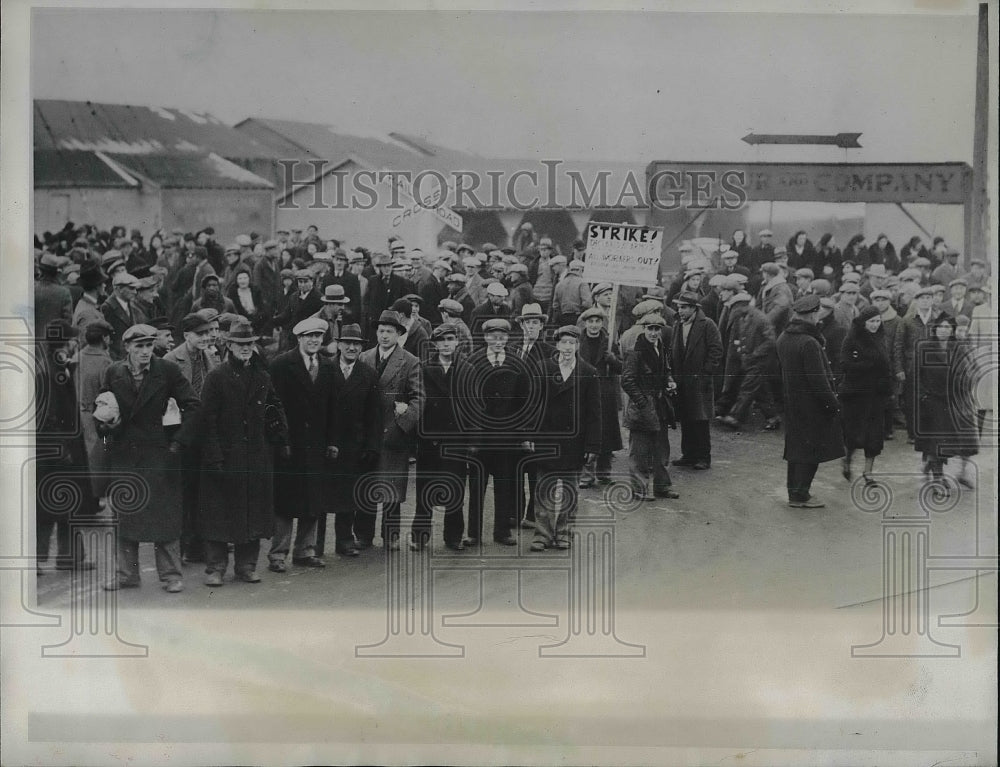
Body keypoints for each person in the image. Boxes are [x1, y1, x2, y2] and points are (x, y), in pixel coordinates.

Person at [98, 324, 201, 592]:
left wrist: (178, 441)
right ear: (127, 348)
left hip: (160, 454)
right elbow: (104, 410)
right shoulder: (113, 372)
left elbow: (192, 405)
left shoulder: (167, 371)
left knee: (164, 516)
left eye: (148, 346)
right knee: (125, 515)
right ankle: (126, 574)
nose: (145, 352)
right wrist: (106, 428)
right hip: (124, 455)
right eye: (139, 346)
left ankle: (171, 576)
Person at [198, 319, 288, 586]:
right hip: (225, 456)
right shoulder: (216, 377)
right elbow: (207, 419)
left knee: (253, 512)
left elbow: (275, 406)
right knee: (219, 514)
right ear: (229, 345)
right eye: (241, 344)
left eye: (250, 344)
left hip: (256, 456)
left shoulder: (262, 376)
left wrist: (280, 437)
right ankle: (215, 568)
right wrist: (213, 454)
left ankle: (246, 566)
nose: (246, 348)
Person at [268, 317, 339, 571]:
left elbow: (334, 409)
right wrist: (280, 441)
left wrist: (332, 441)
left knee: (313, 499)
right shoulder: (281, 365)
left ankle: (305, 551)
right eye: (309, 336)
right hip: (290, 446)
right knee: (286, 501)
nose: (314, 341)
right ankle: (278, 554)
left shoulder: (329, 368)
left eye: (318, 337)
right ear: (299, 338)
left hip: (317, 446)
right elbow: (272, 408)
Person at [464, 318, 537, 546]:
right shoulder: (473, 362)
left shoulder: (518, 363)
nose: (497, 341)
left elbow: (525, 402)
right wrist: (469, 438)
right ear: (485, 338)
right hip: (480, 439)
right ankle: (473, 533)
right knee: (477, 487)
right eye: (493, 336)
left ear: (507, 338)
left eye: (502, 337)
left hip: (507, 438)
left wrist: (524, 435)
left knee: (505, 485)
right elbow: (465, 403)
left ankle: (502, 531)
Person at [357, 310, 424, 550]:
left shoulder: (409, 361)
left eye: (389, 332)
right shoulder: (364, 357)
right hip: (367, 433)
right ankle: (363, 535)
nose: (384, 336)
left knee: (391, 487)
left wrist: (403, 422)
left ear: (398, 334)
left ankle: (391, 535)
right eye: (381, 331)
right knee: (366, 483)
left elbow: (419, 398)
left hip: (392, 432)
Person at [531, 326, 602, 552]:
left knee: (570, 490)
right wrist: (529, 435)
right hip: (547, 439)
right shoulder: (543, 369)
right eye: (564, 343)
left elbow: (594, 413)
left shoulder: (588, 372)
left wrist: (592, 445)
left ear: (578, 346)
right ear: (557, 345)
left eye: (573, 343)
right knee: (544, 488)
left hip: (575, 441)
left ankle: (564, 533)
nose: (568, 348)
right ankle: (542, 534)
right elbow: (533, 405)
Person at [35, 320, 96, 573]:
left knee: (61, 505)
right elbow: (47, 418)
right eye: (73, 341)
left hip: (59, 452)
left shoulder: (57, 367)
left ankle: (66, 557)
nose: (77, 345)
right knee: (50, 506)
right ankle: (42, 559)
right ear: (65, 343)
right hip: (55, 454)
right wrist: (63, 452)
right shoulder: (48, 373)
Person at [316, 324, 382, 557]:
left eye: (356, 344)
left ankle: (344, 541)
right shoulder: (324, 370)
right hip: (328, 444)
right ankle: (317, 543)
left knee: (348, 495)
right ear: (339, 344)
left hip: (354, 445)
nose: (352, 347)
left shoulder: (368, 374)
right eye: (347, 343)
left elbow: (375, 416)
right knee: (322, 495)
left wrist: (372, 446)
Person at [775, 295, 845, 508]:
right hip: (813, 406)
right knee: (812, 450)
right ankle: (801, 494)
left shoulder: (784, 338)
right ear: (813, 314)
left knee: (796, 449)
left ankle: (793, 493)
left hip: (793, 403)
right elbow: (819, 381)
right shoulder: (809, 342)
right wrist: (833, 404)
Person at [164, 312, 220, 563]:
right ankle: (185, 544)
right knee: (184, 491)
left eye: (208, 333)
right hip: (182, 432)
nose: (206, 338)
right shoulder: (171, 360)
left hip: (206, 432)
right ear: (186, 335)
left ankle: (199, 543)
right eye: (200, 334)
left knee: (204, 489)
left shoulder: (211, 357)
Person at [414, 323, 472, 551]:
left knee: (455, 489)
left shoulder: (467, 369)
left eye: (450, 339)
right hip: (430, 440)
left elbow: (475, 407)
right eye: (442, 340)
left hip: (456, 441)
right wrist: (420, 434)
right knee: (425, 489)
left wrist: (472, 442)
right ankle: (419, 536)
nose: (447, 344)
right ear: (435, 344)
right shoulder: (424, 368)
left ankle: (454, 536)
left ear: (457, 342)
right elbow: (418, 401)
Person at [915, 314, 979, 491]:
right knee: (937, 443)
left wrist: (965, 387)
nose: (944, 330)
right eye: (941, 327)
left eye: (948, 327)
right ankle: (937, 479)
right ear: (935, 329)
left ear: (952, 330)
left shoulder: (958, 348)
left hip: (956, 400)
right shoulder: (924, 347)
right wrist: (922, 397)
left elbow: (968, 372)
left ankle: (952, 473)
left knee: (961, 440)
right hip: (933, 401)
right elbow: (916, 375)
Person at [621, 313, 680, 501]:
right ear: (643, 329)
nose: (654, 333)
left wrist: (669, 381)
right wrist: (642, 402)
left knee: (661, 448)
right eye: (650, 329)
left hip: (660, 404)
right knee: (639, 451)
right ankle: (639, 489)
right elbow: (627, 381)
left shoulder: (660, 348)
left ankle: (663, 486)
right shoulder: (635, 352)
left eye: (657, 329)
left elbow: (666, 370)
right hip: (642, 408)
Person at [510, 304, 554, 528]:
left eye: (535, 323)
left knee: (536, 470)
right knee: (516, 468)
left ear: (542, 326)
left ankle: (533, 515)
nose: (531, 327)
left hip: (538, 420)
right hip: (515, 420)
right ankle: (516, 513)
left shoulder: (548, 351)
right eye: (527, 322)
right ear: (521, 325)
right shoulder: (513, 348)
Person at [839, 307, 894, 485]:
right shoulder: (852, 339)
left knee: (874, 436)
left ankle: (868, 472)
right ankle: (847, 459)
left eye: (878, 321)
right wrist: (868, 364)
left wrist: (887, 387)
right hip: (857, 394)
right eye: (871, 321)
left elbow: (886, 364)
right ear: (863, 322)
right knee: (854, 434)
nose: (875, 325)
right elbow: (845, 364)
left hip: (877, 395)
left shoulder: (881, 338)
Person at [670, 292, 723, 470]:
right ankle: (688, 454)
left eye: (684, 307)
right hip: (682, 380)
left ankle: (703, 457)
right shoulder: (678, 325)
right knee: (686, 418)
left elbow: (716, 350)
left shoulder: (707, 324)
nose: (680, 311)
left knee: (700, 420)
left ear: (694, 308)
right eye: (678, 307)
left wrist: (706, 371)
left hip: (699, 381)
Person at [716, 291, 781, 431]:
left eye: (735, 308)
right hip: (749, 361)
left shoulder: (760, 318)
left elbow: (771, 341)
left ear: (742, 306)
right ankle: (773, 417)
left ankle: (735, 416)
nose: (733, 311)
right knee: (760, 390)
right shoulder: (742, 318)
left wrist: (755, 353)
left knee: (747, 387)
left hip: (760, 361)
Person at [577, 306, 623, 487]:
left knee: (606, 431)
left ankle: (604, 471)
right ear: (585, 323)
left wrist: (612, 359)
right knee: (586, 431)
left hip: (605, 391)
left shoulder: (610, 341)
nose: (594, 325)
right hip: (584, 390)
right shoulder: (578, 341)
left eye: (597, 321)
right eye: (591, 321)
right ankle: (586, 474)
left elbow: (621, 367)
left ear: (602, 323)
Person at [894, 285, 941, 443]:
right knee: (912, 400)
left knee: (932, 397)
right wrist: (899, 368)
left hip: (933, 366)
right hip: (911, 366)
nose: (925, 301)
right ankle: (913, 434)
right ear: (917, 301)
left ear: (932, 300)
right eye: (922, 298)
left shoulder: (938, 319)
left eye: (928, 298)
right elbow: (898, 345)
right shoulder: (907, 320)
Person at [100, 271, 146, 359]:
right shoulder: (107, 308)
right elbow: (106, 339)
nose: (135, 292)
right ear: (120, 288)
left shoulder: (131, 306)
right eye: (131, 288)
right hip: (117, 357)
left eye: (135, 289)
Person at [550, 259, 592, 326]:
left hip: (563, 318)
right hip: (579, 317)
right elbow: (587, 303)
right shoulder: (582, 283)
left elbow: (555, 305)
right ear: (580, 270)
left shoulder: (559, 284)